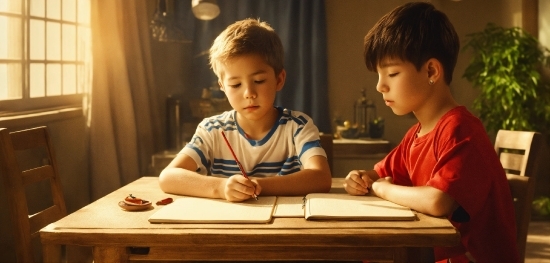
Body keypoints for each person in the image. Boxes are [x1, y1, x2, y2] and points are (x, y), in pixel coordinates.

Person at [344, 2, 519, 263]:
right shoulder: (416, 134)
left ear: (431, 71)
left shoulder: (460, 129)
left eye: (392, 73)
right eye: (379, 75)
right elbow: (380, 174)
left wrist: (382, 189)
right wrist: (359, 179)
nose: (380, 86)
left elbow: (438, 200)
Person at [159, 18, 332, 202]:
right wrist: (221, 187)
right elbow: (168, 177)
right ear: (223, 87)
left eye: (259, 81)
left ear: (279, 79)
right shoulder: (212, 130)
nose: (249, 93)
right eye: (235, 84)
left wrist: (255, 186)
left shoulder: (297, 127)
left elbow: (321, 177)